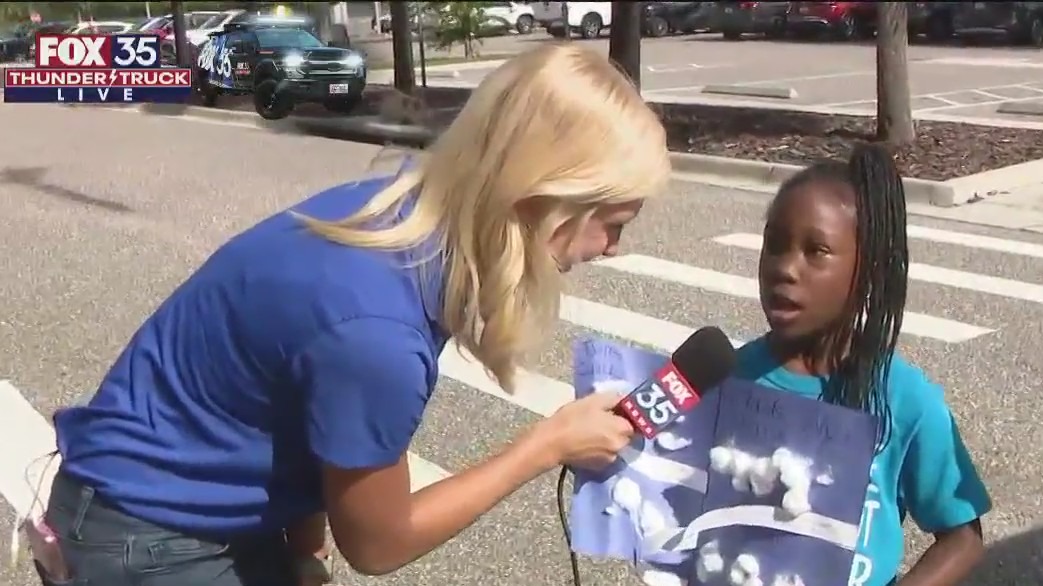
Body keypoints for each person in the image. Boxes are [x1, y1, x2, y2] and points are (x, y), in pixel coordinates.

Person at [34, 43, 672, 586]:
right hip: (147, 534)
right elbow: (377, 545)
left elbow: (297, 410)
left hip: (156, 497)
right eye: (612, 224)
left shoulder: (389, 211)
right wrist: (547, 443)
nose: (613, 249)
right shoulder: (378, 332)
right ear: (542, 200)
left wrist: (301, 550)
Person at [734, 144, 992, 586]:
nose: (786, 269)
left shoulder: (904, 398)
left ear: (867, 270)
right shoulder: (728, 377)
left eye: (816, 251)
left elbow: (962, 536)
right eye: (774, 245)